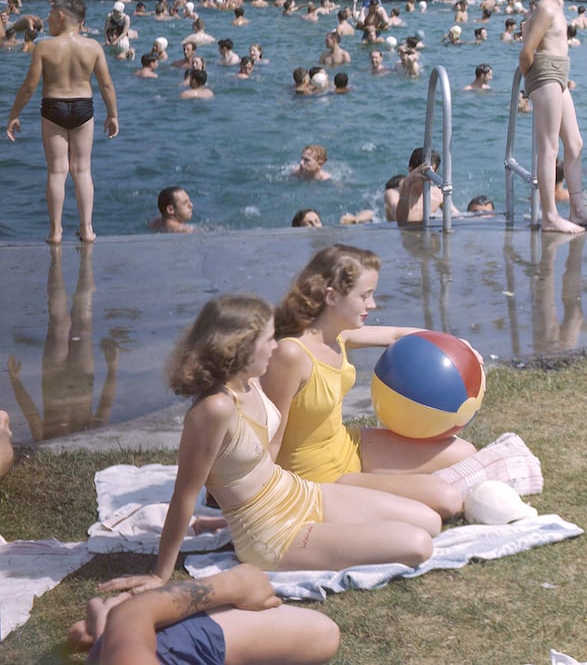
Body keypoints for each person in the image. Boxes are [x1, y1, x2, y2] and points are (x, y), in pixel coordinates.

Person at [138, 296, 440, 592]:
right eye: (269, 340)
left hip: (298, 492)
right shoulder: (213, 410)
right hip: (272, 535)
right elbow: (184, 495)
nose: (276, 346)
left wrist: (219, 520)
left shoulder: (251, 381)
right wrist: (160, 575)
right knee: (418, 544)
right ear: (240, 346)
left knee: (430, 522)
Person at [264, 245, 540, 519]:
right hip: (316, 477)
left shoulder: (338, 335)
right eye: (365, 296)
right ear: (332, 296)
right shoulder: (291, 354)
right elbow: (269, 439)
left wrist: (456, 346)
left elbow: (397, 335)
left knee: (464, 452)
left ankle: (380, 486)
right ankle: (368, 492)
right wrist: (261, 501)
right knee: (447, 501)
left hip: (346, 445)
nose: (372, 304)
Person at [5, 0, 119, 245]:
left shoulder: (45, 47)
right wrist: (112, 114)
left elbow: (29, 86)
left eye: (50, 15)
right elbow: (106, 84)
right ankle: (87, 229)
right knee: (82, 169)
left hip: (53, 107)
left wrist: (14, 115)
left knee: (57, 171)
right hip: (82, 107)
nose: (46, 20)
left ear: (61, 17)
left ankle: (55, 232)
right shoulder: (93, 47)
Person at [69, 564, 339, 665]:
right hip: (180, 647)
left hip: (159, 644)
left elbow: (131, 615)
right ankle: (104, 631)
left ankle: (107, 633)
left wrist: (232, 585)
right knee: (324, 635)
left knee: (322, 633)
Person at [517, 0, 587, 234]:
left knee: (576, 143)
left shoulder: (557, 5)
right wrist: (530, 83)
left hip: (559, 74)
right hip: (544, 73)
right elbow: (527, 51)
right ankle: (549, 217)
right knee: (549, 148)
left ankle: (577, 210)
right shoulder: (545, 7)